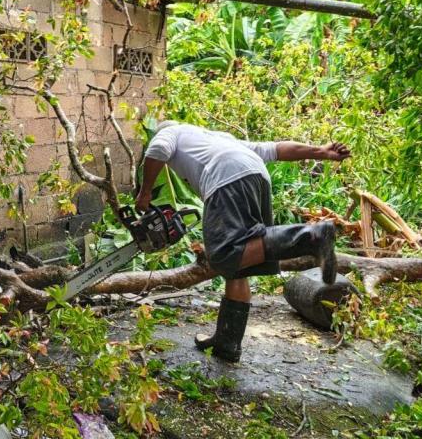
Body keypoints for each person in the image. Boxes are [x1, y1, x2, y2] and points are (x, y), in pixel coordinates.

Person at [135, 121, 351, 362]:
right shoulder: (217, 137)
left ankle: (311, 236)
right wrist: (321, 151)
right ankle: (227, 343)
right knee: (240, 266)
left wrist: (144, 193)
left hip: (225, 177)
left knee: (224, 255)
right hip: (257, 176)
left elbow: (157, 151)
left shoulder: (170, 131)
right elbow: (275, 149)